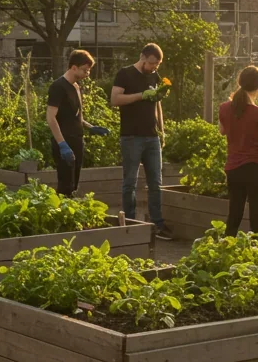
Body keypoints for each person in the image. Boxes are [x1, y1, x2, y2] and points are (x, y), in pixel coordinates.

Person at [111, 44, 172, 240]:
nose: (154, 68)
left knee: (156, 183)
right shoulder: (125, 74)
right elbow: (115, 99)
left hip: (152, 137)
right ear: (142, 57)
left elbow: (157, 105)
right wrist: (140, 96)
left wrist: (162, 130)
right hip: (131, 137)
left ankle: (158, 224)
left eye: (157, 65)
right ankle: (129, 223)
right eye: (152, 63)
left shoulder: (154, 76)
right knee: (130, 182)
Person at [219, 65, 258, 235]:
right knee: (257, 217)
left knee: (234, 215)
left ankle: (226, 250)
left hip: (234, 167)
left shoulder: (224, 108)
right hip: (256, 167)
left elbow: (222, 131)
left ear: (240, 83)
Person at [47, 50, 110, 197]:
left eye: (88, 71)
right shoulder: (58, 87)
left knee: (74, 184)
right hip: (64, 141)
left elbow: (75, 116)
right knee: (65, 186)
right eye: (85, 70)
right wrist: (62, 144)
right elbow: (51, 117)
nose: (87, 74)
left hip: (77, 139)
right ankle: (60, 215)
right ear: (73, 67)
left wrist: (91, 127)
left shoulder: (76, 87)